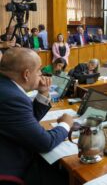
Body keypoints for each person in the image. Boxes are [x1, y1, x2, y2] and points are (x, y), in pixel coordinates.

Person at [0, 48, 73, 182]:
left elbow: (24, 121)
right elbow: (45, 142)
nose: (41, 74)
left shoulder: (5, 86)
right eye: (39, 70)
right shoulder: (12, 98)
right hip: (10, 169)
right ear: (26, 74)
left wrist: (43, 93)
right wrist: (66, 124)